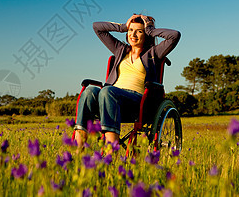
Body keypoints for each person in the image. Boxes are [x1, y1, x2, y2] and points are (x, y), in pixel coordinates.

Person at [73, 14, 181, 149]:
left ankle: (111, 150)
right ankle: (78, 150)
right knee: (90, 91)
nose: (133, 34)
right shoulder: (120, 49)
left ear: (146, 34)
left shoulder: (154, 53)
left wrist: (150, 29)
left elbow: (175, 35)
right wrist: (123, 27)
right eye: (131, 30)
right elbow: (97, 27)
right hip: (109, 98)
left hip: (137, 102)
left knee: (107, 91)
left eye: (139, 31)